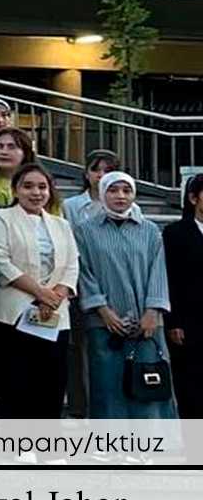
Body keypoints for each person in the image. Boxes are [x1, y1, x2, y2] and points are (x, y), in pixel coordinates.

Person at [74, 172, 177, 418]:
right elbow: (83, 271)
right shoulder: (85, 231)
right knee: (107, 383)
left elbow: (158, 271)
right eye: (113, 190)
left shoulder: (150, 230)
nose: (120, 196)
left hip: (147, 321)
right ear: (102, 193)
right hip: (104, 322)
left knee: (148, 380)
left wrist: (153, 311)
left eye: (126, 190)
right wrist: (103, 310)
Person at [0, 163, 79, 420]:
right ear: (15, 190)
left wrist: (54, 296)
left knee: (52, 383)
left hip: (55, 315)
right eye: (28, 186)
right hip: (14, 312)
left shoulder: (61, 224)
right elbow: (0, 262)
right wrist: (40, 293)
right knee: (15, 383)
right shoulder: (0, 218)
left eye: (42, 187)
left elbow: (72, 265)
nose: (35, 192)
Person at [163, 173, 203, 418]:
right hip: (188, 324)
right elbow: (170, 278)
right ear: (192, 198)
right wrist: (173, 321)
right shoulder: (175, 233)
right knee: (191, 388)